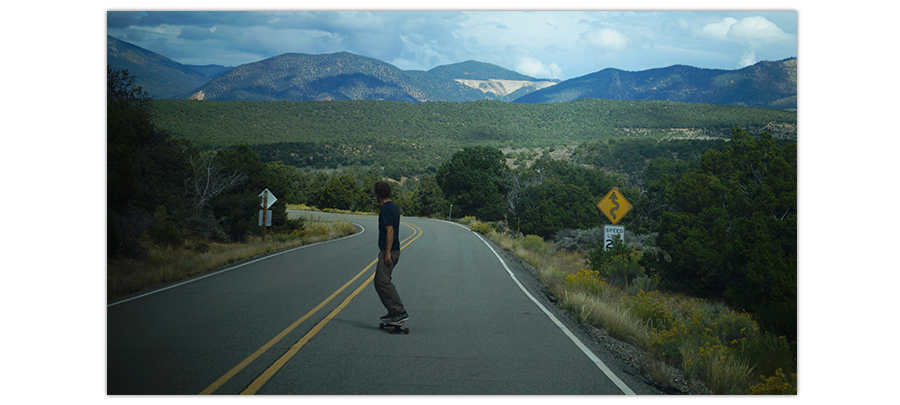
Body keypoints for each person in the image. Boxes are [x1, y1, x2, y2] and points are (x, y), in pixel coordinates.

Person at [374, 181, 409, 325]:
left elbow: (390, 230)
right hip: (392, 249)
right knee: (380, 281)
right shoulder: (392, 207)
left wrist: (387, 252)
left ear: (377, 195)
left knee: (382, 281)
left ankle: (399, 311)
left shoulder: (386, 209)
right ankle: (393, 311)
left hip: (390, 250)